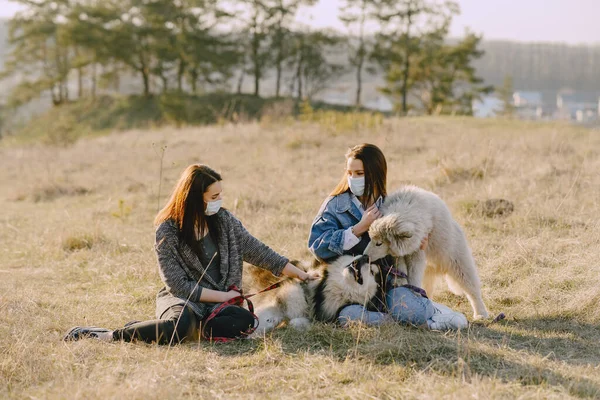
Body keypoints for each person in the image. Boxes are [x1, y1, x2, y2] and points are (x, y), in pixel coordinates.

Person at [64, 164, 317, 344]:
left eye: (220, 195)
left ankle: (183, 329)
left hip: (221, 303)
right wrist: (225, 296)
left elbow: (259, 252)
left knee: (245, 323)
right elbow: (177, 284)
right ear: (195, 199)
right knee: (179, 328)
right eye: (214, 197)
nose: (220, 201)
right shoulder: (168, 230)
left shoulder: (225, 221)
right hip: (185, 300)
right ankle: (109, 335)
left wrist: (300, 274)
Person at [308, 143, 468, 330]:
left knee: (412, 312)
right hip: (352, 289)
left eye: (359, 174)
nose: (353, 179)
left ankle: (427, 314)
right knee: (348, 316)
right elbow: (317, 247)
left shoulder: (390, 205)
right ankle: (413, 322)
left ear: (375, 173)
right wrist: (358, 228)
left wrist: (416, 245)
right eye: (349, 173)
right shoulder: (335, 205)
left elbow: (399, 246)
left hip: (388, 285)